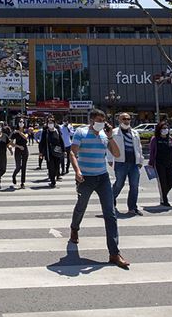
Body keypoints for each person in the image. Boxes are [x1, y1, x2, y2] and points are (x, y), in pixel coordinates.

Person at [68, 109, 130, 269]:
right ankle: (74, 228)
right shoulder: (81, 132)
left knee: (110, 213)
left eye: (103, 120)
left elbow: (117, 154)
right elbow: (72, 153)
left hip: (102, 177)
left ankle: (114, 253)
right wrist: (77, 171)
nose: (102, 123)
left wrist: (110, 137)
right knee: (81, 206)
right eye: (99, 120)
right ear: (91, 120)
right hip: (85, 178)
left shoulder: (104, 135)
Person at [109, 112, 145, 216]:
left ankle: (132, 207)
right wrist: (110, 159)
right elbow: (109, 146)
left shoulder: (135, 133)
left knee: (134, 186)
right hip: (120, 162)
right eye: (124, 119)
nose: (126, 121)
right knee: (119, 184)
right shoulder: (114, 132)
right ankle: (110, 202)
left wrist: (140, 160)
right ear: (119, 120)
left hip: (134, 163)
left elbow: (139, 147)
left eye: (128, 119)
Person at [148, 121, 172, 208]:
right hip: (159, 164)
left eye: (166, 128)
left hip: (169, 163)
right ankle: (164, 200)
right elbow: (152, 152)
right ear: (159, 129)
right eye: (163, 128)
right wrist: (150, 163)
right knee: (162, 182)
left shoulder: (170, 139)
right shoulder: (155, 139)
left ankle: (163, 194)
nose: (165, 130)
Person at [38, 116, 65, 187]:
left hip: (57, 151)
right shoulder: (45, 132)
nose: (50, 124)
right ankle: (53, 182)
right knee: (51, 167)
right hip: (48, 152)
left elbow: (61, 141)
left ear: (54, 123)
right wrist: (40, 152)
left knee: (57, 166)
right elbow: (42, 142)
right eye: (49, 123)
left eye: (52, 123)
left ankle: (54, 175)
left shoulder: (57, 131)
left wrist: (63, 150)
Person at [11, 119, 30, 189]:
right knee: (18, 167)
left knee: (24, 167)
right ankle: (14, 175)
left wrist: (19, 132)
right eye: (20, 122)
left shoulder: (26, 131)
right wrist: (18, 146)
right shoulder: (14, 132)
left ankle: (22, 183)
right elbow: (11, 143)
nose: (21, 123)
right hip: (18, 150)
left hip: (25, 149)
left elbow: (25, 137)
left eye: (22, 122)